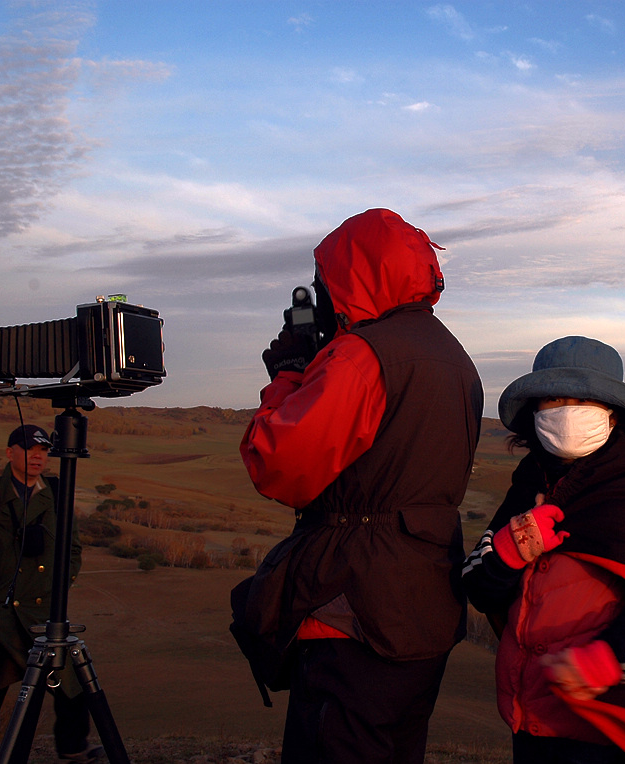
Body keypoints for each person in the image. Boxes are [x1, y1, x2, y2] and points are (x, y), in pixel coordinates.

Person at [234, 208, 484, 764]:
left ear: (355, 275)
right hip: (426, 606)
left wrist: (290, 373)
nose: (323, 294)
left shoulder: (361, 355)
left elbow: (278, 464)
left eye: (326, 279)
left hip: (353, 611)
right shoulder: (454, 356)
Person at [462, 336, 625, 764]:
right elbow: (479, 586)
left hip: (603, 726)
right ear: (534, 410)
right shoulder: (529, 482)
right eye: (554, 398)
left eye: (585, 399)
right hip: (529, 717)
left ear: (613, 412)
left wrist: (605, 661)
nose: (568, 411)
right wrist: (511, 549)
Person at [0, 424, 103, 764]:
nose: (37, 456)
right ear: (9, 453)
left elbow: (71, 549)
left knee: (71, 685)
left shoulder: (57, 495)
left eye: (43, 450)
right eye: (29, 449)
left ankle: (73, 748)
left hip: (43, 613)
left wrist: (57, 589)